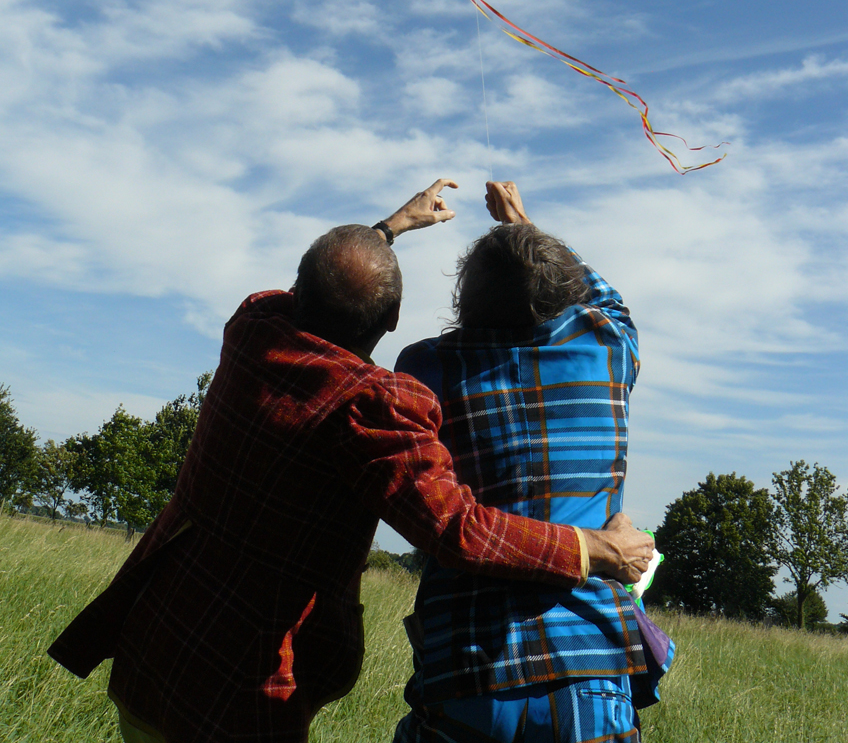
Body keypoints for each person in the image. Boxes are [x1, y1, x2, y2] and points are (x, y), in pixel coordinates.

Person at [47, 178, 654, 743]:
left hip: (153, 643)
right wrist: (595, 550)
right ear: (391, 318)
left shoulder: (253, 328)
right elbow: (456, 528)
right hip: (241, 694)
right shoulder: (373, 404)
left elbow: (298, 291)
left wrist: (388, 228)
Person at [393, 181, 674, 743]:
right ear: (558, 292)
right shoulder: (609, 343)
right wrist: (521, 222)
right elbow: (604, 295)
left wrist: (390, 230)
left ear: (464, 298)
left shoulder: (425, 367)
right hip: (591, 668)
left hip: (468, 668)